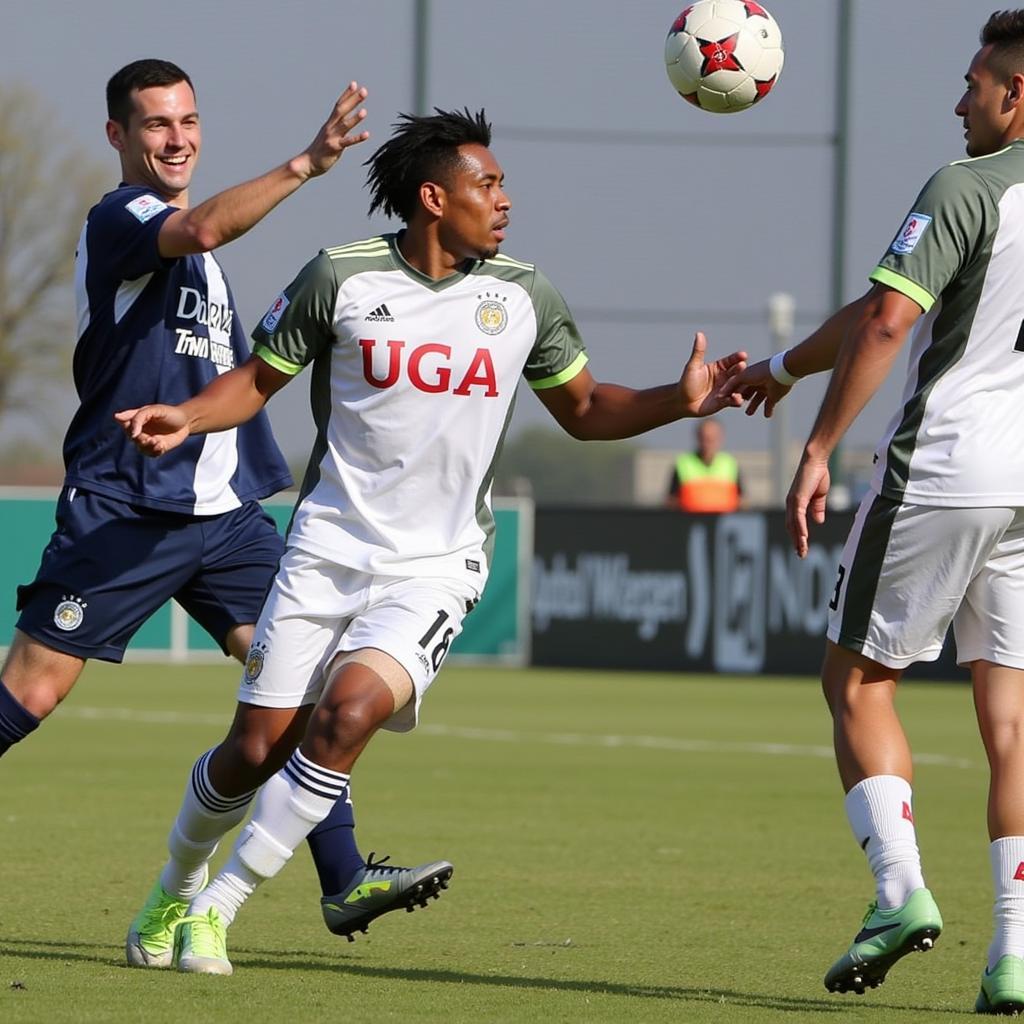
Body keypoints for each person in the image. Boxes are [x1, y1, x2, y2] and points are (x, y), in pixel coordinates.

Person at [116, 106, 748, 975]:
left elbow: (587, 410)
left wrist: (680, 401)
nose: (504, 200)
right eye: (486, 185)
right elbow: (257, 381)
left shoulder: (524, 296)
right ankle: (172, 892)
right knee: (254, 749)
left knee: (344, 719)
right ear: (432, 198)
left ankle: (218, 913)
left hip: (437, 567)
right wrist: (185, 415)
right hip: (326, 550)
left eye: (501, 184)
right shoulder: (340, 277)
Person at [0, 59, 442, 967]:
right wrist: (308, 163)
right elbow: (201, 220)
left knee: (303, 690)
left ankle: (342, 877)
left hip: (224, 515)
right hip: (127, 504)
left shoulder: (202, 253)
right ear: (118, 136)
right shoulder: (122, 218)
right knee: (31, 693)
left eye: (189, 120)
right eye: (155, 123)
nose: (177, 138)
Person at [724, 10, 1024, 1013]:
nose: (957, 101)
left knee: (854, 681)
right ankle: (1014, 957)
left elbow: (893, 319)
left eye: (975, 84)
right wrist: (777, 365)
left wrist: (814, 446)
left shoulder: (962, 185)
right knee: (1011, 722)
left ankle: (898, 892)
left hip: (944, 469)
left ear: (1014, 96)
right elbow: (887, 301)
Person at [666, 418, 742, 512]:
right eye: (705, 438)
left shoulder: (730, 463)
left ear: (721, 438)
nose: (708, 443)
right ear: (698, 437)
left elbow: (742, 500)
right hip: (690, 523)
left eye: (713, 438)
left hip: (724, 523)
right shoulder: (683, 463)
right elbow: (671, 500)